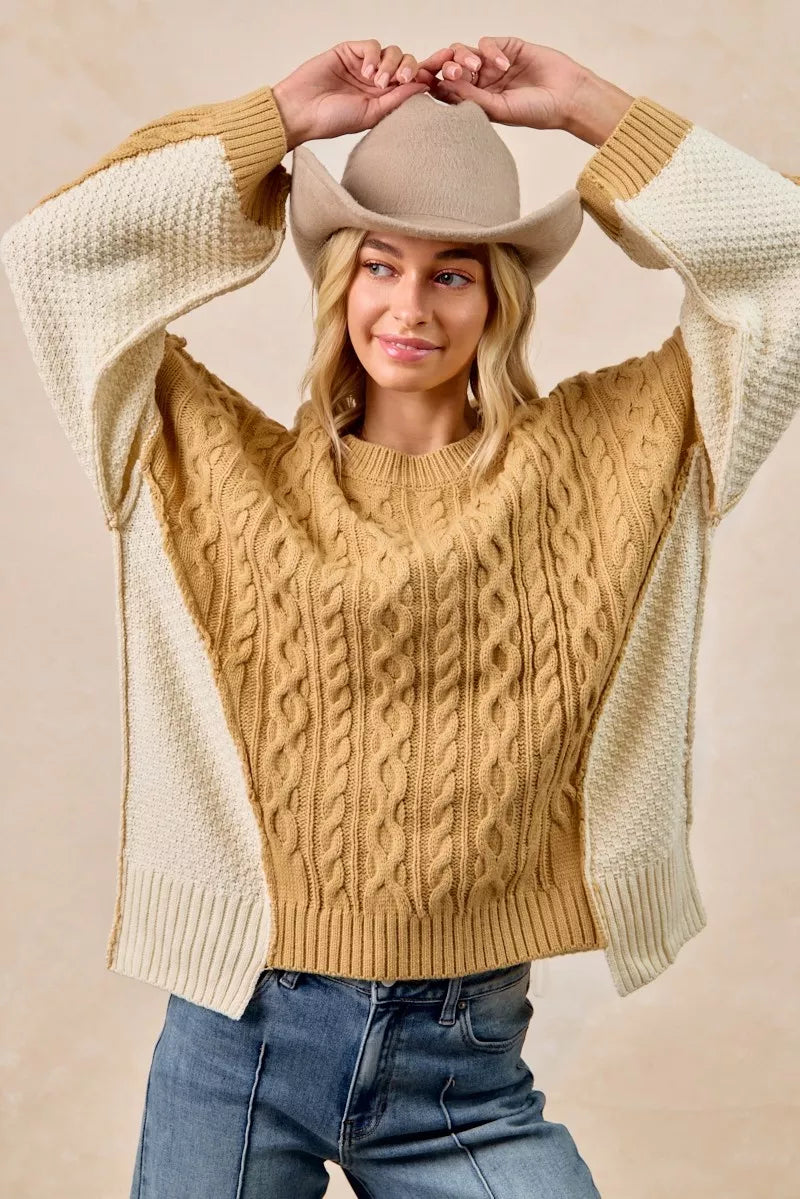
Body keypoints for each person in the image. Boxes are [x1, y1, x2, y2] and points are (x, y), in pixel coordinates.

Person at [2, 33, 798, 1199]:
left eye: (452, 272)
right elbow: (54, 259)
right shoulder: (205, 459)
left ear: (496, 295)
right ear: (337, 281)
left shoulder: (610, 457)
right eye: (378, 263)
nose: (408, 305)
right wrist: (280, 116)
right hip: (239, 1036)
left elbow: (783, 265)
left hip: (461, 1068)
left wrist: (582, 107)